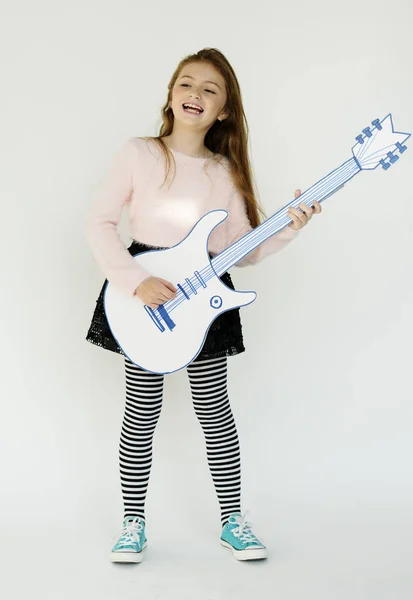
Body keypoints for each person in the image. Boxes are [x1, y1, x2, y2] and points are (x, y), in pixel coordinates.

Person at [84, 47, 322, 564]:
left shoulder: (223, 170)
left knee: (215, 411)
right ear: (171, 95)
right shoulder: (138, 153)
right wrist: (134, 281)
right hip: (146, 296)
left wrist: (289, 228)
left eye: (210, 90)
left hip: (204, 298)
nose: (196, 93)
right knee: (141, 413)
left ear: (225, 111)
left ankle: (232, 520)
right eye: (186, 83)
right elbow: (99, 223)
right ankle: (132, 523)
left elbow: (245, 246)